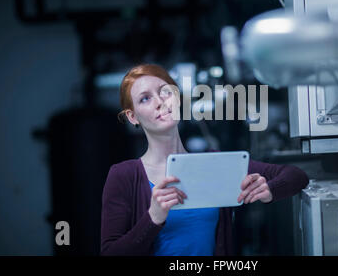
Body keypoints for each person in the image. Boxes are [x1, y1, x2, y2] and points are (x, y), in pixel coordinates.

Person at [100, 63, 309, 256]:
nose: (159, 102)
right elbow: (110, 252)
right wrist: (153, 218)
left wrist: (269, 190)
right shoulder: (124, 175)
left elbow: (296, 176)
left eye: (165, 92)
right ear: (133, 117)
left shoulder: (214, 164)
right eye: (145, 98)